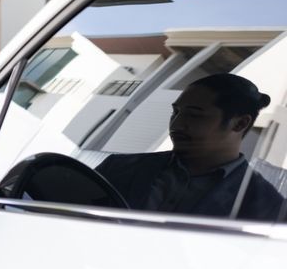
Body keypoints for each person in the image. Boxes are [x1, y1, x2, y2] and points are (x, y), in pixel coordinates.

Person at [96, 73, 283, 221]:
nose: (176, 124)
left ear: (240, 124)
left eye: (194, 115)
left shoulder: (267, 206)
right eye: (175, 112)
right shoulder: (117, 168)